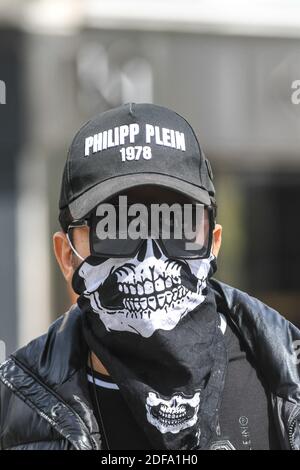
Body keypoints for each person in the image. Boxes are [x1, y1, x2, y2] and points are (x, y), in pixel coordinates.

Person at [0, 103, 299, 450]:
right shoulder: (13, 411)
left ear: (213, 243)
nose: (150, 255)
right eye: (118, 227)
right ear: (67, 256)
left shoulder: (285, 384)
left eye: (175, 224)